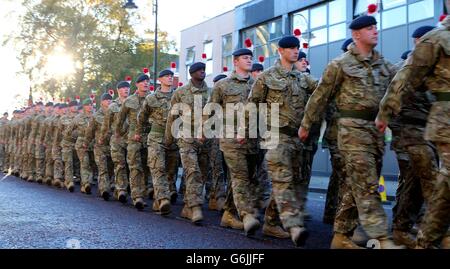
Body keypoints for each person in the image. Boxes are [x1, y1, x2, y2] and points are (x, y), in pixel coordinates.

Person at [299, 15, 402, 249]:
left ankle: (341, 236)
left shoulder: (383, 65)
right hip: (351, 133)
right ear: (356, 34)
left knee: (354, 185)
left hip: (374, 134)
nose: (375, 31)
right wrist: (306, 125)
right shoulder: (340, 64)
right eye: (369, 28)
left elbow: (398, 88)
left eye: (375, 27)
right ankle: (383, 238)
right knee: (367, 185)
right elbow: (320, 97)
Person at [376, 10, 450, 249]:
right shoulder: (406, 65)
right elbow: (399, 89)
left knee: (418, 182)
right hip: (409, 132)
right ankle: (421, 232)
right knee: (429, 179)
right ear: (418, 43)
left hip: (429, 129)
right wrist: (386, 118)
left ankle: (410, 226)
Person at [248, 35, 318, 246]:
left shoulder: (303, 78)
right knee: (283, 180)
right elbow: (253, 105)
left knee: (291, 182)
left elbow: (322, 91)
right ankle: (294, 226)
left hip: (297, 138)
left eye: (297, 48)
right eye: (290, 48)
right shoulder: (267, 77)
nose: (295, 51)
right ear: (280, 50)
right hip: (275, 135)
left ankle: (270, 222)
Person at [165, 62, 211, 225]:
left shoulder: (211, 92)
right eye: (199, 70)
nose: (202, 72)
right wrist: (169, 138)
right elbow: (173, 116)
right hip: (186, 137)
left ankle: (187, 205)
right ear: (192, 73)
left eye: (204, 70)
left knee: (203, 173)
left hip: (205, 139)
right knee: (192, 171)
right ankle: (195, 207)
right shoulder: (180, 92)